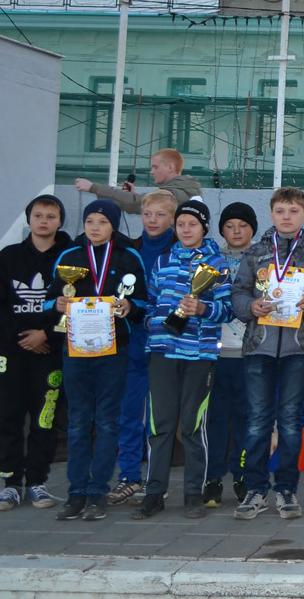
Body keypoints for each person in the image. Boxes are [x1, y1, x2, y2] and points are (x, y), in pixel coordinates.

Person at [230, 187, 304, 521]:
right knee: (258, 422)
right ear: (272, 214)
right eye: (280, 211)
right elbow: (238, 291)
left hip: (299, 349)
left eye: (293, 211)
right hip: (258, 346)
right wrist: (251, 306)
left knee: (290, 422)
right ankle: (255, 489)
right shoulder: (256, 253)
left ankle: (286, 489)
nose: (286, 217)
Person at [48, 199, 147, 521]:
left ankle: (98, 493)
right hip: (76, 349)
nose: (94, 227)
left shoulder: (128, 256)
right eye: (90, 221)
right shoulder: (69, 256)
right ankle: (76, 492)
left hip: (114, 350)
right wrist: (57, 304)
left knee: (107, 422)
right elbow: (50, 299)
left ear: (113, 225)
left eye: (102, 222)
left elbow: (144, 301)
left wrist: (131, 308)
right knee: (78, 422)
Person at [135, 201, 234, 520]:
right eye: (181, 224)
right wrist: (153, 323)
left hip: (199, 354)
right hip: (162, 352)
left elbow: (228, 310)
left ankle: (193, 493)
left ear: (204, 227)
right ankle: (154, 493)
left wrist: (203, 309)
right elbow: (151, 301)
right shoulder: (162, 261)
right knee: (159, 425)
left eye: (193, 224)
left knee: (192, 426)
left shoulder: (217, 264)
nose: (186, 229)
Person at [0, 195, 71, 511]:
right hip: (10, 351)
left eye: (51, 216)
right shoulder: (8, 257)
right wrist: (22, 338)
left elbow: (74, 307)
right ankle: (10, 484)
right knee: (8, 415)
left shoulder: (69, 259)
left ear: (60, 221)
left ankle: (36, 482)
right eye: (38, 215)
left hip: (49, 351)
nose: (44, 221)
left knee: (44, 418)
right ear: (29, 219)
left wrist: (46, 334)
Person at [109, 188, 177, 507]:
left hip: (168, 342)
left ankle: (155, 479)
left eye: (160, 215)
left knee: (159, 416)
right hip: (133, 340)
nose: (152, 220)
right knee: (130, 410)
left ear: (173, 218)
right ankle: (129, 475)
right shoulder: (129, 250)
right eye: (147, 214)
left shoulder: (182, 250)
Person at [203, 202, 257, 508]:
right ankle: (212, 477)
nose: (236, 231)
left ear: (253, 229)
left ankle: (242, 476)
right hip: (215, 352)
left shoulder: (263, 259)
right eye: (229, 226)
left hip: (250, 353)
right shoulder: (211, 260)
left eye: (243, 226)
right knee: (215, 418)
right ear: (221, 230)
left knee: (246, 418)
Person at [74, 148, 203, 212]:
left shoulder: (173, 194)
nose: (152, 172)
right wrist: (130, 197)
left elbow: (135, 202)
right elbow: (139, 206)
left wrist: (93, 187)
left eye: (155, 167)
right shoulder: (183, 189)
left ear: (170, 167)